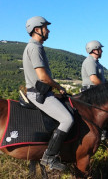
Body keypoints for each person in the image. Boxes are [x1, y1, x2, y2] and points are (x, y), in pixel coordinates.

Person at [23, 16, 74, 171]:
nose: (48, 30)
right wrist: (59, 87)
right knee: (67, 119)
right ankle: (49, 157)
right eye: (46, 27)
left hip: (42, 92)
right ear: (37, 30)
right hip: (38, 94)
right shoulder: (35, 47)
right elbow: (43, 78)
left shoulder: (35, 46)